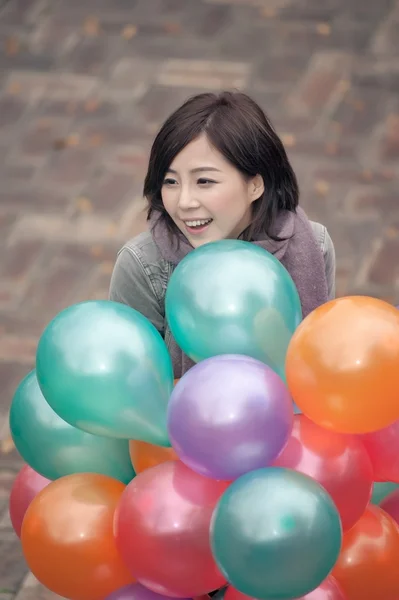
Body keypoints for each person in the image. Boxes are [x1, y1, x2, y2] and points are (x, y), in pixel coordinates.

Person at [109, 91, 335, 378]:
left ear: (255, 185)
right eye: (171, 181)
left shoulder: (313, 245)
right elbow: (131, 386)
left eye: (204, 181)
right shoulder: (143, 265)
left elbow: (323, 362)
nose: (184, 202)